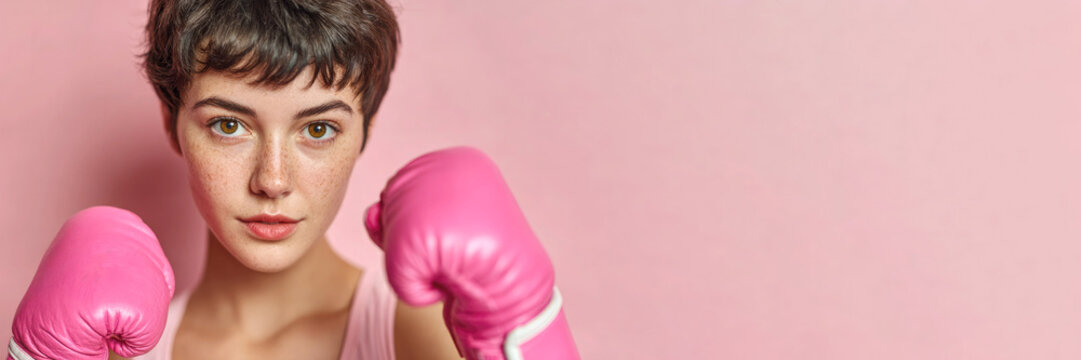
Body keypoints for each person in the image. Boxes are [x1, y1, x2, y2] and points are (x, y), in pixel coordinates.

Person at [8, 0, 580, 359]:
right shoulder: (119, 350)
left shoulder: (415, 334)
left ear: (366, 130)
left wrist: (527, 334)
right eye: (230, 125)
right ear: (172, 122)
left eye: (320, 129)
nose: (273, 180)